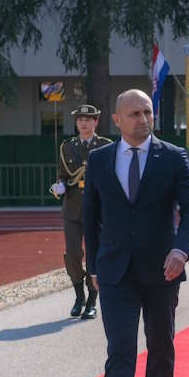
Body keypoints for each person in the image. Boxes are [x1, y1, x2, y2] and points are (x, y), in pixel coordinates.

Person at [83, 89, 189, 377]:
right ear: (117, 120)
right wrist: (93, 268)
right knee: (119, 348)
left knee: (161, 345)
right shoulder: (100, 160)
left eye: (147, 112)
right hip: (115, 272)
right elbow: (91, 218)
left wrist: (181, 251)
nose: (143, 119)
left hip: (161, 271)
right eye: (134, 113)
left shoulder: (173, 157)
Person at [50, 104, 112, 319]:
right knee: (73, 253)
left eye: (88, 119)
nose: (84, 123)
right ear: (76, 123)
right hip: (73, 208)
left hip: (97, 209)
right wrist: (60, 186)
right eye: (80, 119)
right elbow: (63, 175)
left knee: (95, 255)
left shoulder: (106, 146)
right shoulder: (67, 147)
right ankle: (79, 296)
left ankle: (92, 301)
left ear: (96, 122)